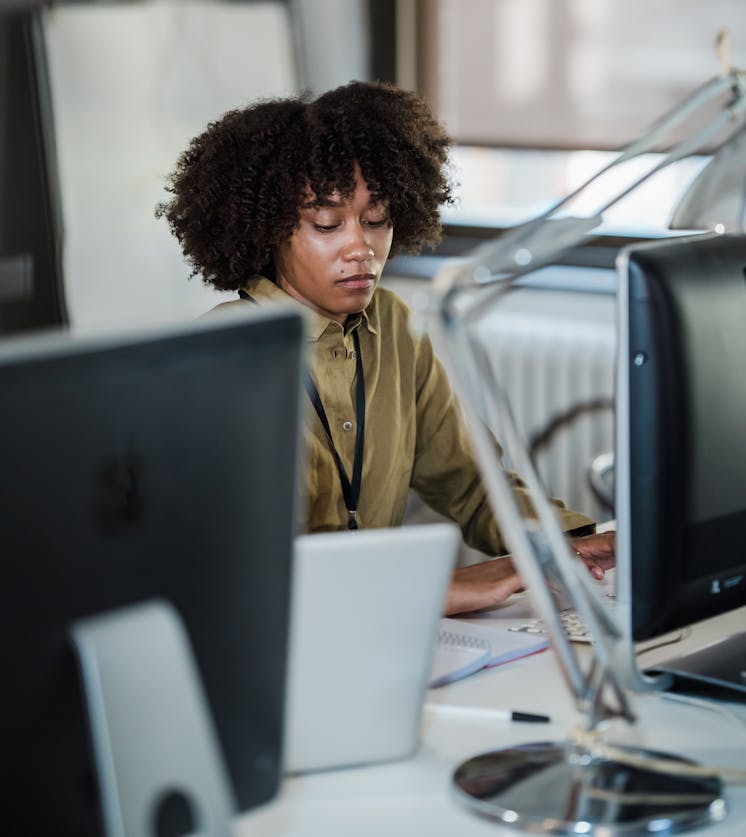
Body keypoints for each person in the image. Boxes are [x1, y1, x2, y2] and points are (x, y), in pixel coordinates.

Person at [156, 80, 615, 614]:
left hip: (378, 634)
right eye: (327, 223)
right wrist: (438, 590)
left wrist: (570, 543)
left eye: (376, 220)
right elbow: (241, 571)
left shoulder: (395, 326)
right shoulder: (222, 357)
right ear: (267, 232)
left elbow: (469, 483)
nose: (362, 247)